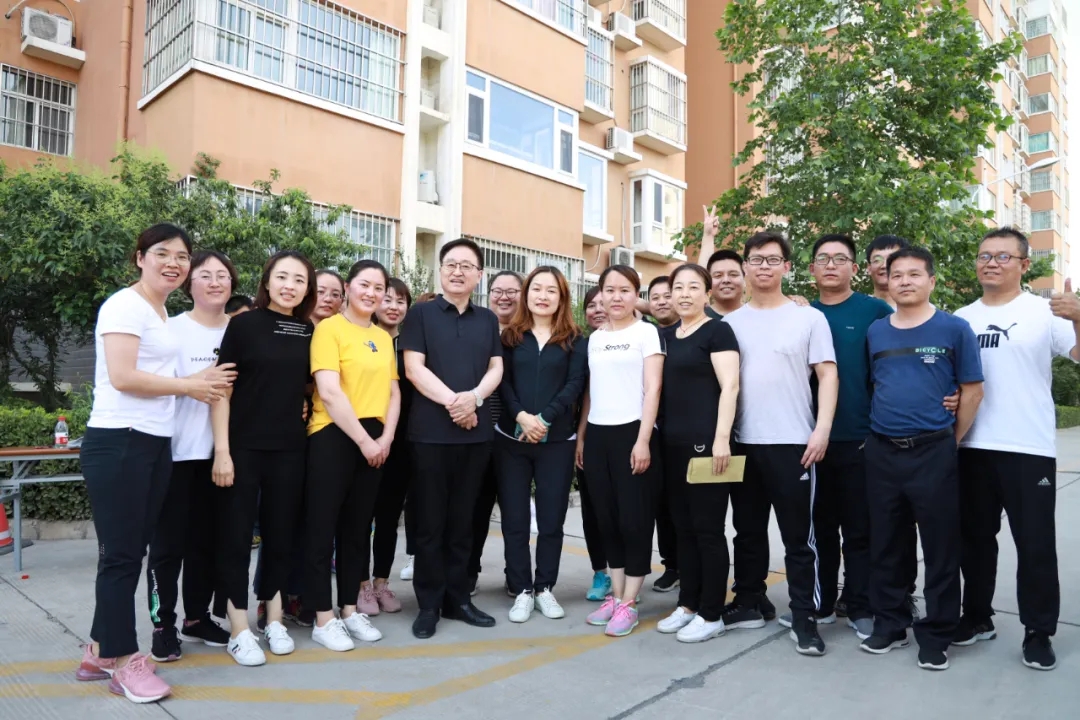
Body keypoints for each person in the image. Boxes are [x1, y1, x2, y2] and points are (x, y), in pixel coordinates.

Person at [75, 224, 232, 704]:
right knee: (121, 556)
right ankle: (125, 661)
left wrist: (198, 379)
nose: (174, 263)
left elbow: (158, 373)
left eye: (181, 256)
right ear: (140, 257)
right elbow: (123, 376)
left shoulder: (158, 312)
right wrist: (190, 386)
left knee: (128, 553)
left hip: (152, 443)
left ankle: (98, 650)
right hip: (120, 440)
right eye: (162, 253)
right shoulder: (125, 305)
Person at [953, 227, 1079, 671]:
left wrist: (1079, 317)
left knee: (1035, 543)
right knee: (974, 541)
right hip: (971, 445)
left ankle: (1038, 632)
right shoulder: (961, 318)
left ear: (1025, 265)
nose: (991, 263)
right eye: (985, 255)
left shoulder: (1045, 312)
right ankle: (977, 617)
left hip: (1028, 448)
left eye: (1003, 256)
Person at [860, 247, 984, 672]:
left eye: (914, 274)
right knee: (886, 544)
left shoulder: (954, 328)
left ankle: (937, 634)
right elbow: (874, 385)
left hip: (934, 451)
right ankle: (891, 624)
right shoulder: (876, 331)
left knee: (940, 547)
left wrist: (951, 440)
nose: (905, 281)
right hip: (882, 451)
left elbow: (973, 391)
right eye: (897, 274)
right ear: (887, 281)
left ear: (931, 280)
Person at [722, 231, 838, 656]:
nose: (764, 267)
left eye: (773, 260)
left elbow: (827, 374)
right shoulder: (730, 324)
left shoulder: (809, 318)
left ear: (787, 267)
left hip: (794, 444)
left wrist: (821, 430)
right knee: (747, 532)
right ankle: (750, 601)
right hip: (743, 443)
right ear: (745, 267)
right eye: (756, 259)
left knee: (798, 539)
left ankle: (804, 616)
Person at [211, 251, 316, 667]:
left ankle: (274, 619)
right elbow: (222, 391)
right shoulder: (243, 325)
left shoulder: (308, 330)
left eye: (299, 280)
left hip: (290, 448)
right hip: (243, 447)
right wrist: (222, 451)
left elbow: (306, 384)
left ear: (307, 289)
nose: (290, 286)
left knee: (280, 536)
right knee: (235, 536)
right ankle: (239, 628)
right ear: (267, 281)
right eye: (282, 277)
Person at [402, 238, 504, 640]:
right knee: (430, 523)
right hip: (430, 434)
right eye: (451, 264)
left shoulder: (487, 320)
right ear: (441, 270)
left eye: (467, 266)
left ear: (479, 275)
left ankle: (458, 599)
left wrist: (474, 399)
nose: (458, 271)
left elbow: (496, 368)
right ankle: (429, 604)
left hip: (475, 437)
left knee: (464, 522)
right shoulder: (421, 314)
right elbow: (414, 368)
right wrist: (455, 404)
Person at [146, 250, 239, 664]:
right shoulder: (171, 329)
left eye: (222, 275)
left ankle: (197, 618)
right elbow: (151, 384)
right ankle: (162, 625)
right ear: (189, 284)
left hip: (222, 456)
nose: (215, 282)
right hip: (175, 453)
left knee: (208, 543)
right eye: (205, 275)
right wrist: (200, 379)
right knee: (168, 548)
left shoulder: (239, 331)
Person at [304, 259, 399, 651]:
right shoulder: (329, 329)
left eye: (379, 288)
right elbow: (329, 391)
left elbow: (393, 391)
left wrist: (386, 438)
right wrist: (364, 441)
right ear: (348, 287)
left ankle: (348, 609)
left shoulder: (383, 337)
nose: (371, 293)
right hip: (334, 434)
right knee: (322, 528)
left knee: (358, 528)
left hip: (375, 439)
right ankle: (322, 617)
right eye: (364, 285)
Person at [802, 235, 894, 640]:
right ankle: (822, 604)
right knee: (820, 529)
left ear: (854, 268)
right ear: (811, 269)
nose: (831, 265)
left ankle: (859, 605)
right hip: (810, 441)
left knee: (859, 529)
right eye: (822, 258)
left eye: (840, 259)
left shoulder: (875, 311)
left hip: (861, 437)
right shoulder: (802, 313)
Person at [576, 264, 664, 638]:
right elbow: (591, 392)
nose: (616, 297)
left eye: (624, 290)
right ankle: (615, 595)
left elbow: (653, 389)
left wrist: (643, 440)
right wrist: (582, 437)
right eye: (609, 290)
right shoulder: (595, 338)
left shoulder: (647, 333)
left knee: (634, 520)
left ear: (635, 295)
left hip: (633, 432)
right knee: (607, 519)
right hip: (598, 435)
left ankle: (630, 602)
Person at [655, 264, 740, 643]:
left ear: (707, 293)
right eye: (678, 287)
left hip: (707, 445)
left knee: (707, 530)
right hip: (671, 445)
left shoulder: (718, 330)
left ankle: (711, 612)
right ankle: (687, 604)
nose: (685, 294)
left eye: (693, 287)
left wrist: (722, 438)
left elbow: (731, 386)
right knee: (683, 528)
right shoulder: (666, 335)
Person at [497, 267, 587, 623]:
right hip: (511, 440)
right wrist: (522, 417)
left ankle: (545, 587)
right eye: (537, 288)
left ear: (562, 297)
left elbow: (574, 384)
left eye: (552, 290)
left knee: (551, 520)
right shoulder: (510, 337)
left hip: (557, 442)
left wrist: (544, 419)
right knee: (514, 520)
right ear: (526, 294)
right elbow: (503, 383)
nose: (543, 296)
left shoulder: (575, 339)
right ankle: (521, 589)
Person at [468, 270, 522, 595]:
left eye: (512, 291)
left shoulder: (528, 335)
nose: (504, 297)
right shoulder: (477, 331)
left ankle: (516, 577)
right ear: (488, 295)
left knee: (515, 513)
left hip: (515, 437)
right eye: (497, 290)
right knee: (476, 509)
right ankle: (468, 573)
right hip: (480, 433)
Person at [368, 278, 416, 591]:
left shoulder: (412, 346)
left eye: (401, 301)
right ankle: (359, 586)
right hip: (365, 438)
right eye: (387, 299)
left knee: (388, 517)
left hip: (403, 444)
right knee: (359, 518)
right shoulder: (362, 340)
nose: (393, 307)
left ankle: (381, 583)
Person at [645, 276, 679, 594]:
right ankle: (672, 566)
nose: (661, 302)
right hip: (654, 432)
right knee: (662, 505)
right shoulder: (647, 333)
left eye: (667, 295)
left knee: (690, 506)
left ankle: (693, 566)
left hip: (688, 431)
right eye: (654, 297)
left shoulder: (693, 329)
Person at [579, 287, 612, 602]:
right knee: (593, 509)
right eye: (592, 305)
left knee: (624, 510)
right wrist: (581, 436)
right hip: (590, 434)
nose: (599, 309)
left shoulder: (640, 336)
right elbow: (586, 393)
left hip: (627, 435)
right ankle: (601, 572)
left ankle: (627, 574)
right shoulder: (583, 344)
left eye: (605, 302)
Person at [866, 235, 910, 309]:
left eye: (891, 259)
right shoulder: (858, 309)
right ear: (869, 268)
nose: (884, 265)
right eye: (877, 260)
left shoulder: (922, 312)